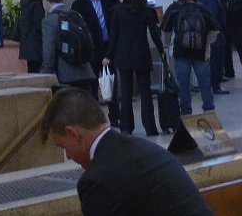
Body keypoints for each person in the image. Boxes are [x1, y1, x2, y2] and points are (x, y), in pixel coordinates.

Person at [43, 87, 215, 216]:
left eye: (63, 147)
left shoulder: (96, 180)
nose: (68, 156)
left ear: (73, 134)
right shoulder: (144, 147)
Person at [107, 0, 162, 136]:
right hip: (142, 54)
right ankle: (150, 127)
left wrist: (108, 56)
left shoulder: (117, 12)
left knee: (126, 93)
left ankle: (126, 127)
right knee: (146, 93)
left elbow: (113, 37)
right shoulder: (146, 11)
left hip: (123, 55)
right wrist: (161, 50)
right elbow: (154, 34)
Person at [162, 0, 217, 116]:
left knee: (183, 84)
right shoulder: (202, 7)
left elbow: (165, 29)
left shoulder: (174, 8)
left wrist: (167, 45)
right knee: (204, 83)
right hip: (201, 52)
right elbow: (213, 30)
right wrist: (207, 43)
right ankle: (209, 110)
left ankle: (186, 113)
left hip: (181, 52)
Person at [40, 0, 98, 93]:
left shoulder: (49, 20)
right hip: (85, 71)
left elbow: (48, 50)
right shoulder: (76, 15)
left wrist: (46, 73)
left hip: (64, 75)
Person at [72, 0, 117, 68]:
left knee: (110, 74)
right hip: (92, 46)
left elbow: (119, 10)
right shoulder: (79, 4)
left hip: (108, 44)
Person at [18, 0, 47, 69]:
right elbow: (39, 23)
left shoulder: (25, 1)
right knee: (38, 68)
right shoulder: (36, 3)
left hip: (26, 40)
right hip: (36, 41)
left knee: (31, 67)